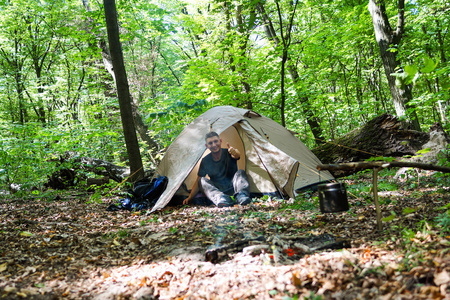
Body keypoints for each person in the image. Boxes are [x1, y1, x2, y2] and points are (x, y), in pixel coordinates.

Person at [182, 131, 251, 207]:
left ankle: (241, 196)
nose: (214, 145)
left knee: (241, 172)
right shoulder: (205, 161)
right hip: (218, 191)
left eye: (216, 141)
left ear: (220, 141)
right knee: (201, 180)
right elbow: (198, 182)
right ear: (206, 146)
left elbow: (237, 155)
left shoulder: (229, 153)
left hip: (233, 187)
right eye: (210, 143)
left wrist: (235, 152)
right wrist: (190, 197)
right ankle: (222, 199)